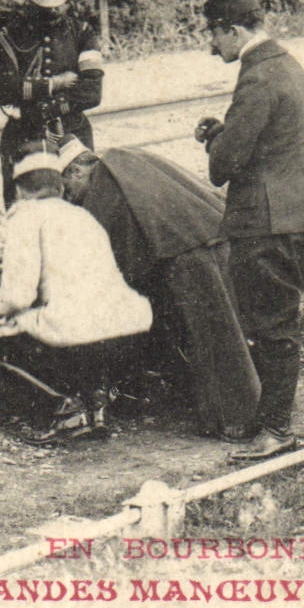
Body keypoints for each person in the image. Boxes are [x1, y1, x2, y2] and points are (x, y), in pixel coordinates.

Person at [58, 138, 262, 441]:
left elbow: (111, 260)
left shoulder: (102, 190)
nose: (69, 197)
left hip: (188, 255)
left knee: (213, 341)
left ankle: (235, 421)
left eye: (67, 187)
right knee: (231, 333)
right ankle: (256, 407)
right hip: (210, 234)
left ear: (76, 171)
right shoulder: (122, 158)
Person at [195, 0, 304, 460]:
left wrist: (215, 141)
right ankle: (271, 421)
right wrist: (227, 133)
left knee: (272, 328)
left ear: (232, 29)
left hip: (265, 222)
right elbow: (267, 139)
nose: (211, 46)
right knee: (274, 323)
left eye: (214, 34)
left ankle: (276, 430)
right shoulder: (286, 64)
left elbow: (223, 166)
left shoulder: (257, 77)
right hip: (293, 213)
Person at [0, 147, 153, 444]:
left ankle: (67, 410)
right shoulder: (82, 215)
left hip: (75, 329)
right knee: (83, 327)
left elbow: (17, 297)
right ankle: (98, 403)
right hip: (125, 324)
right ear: (59, 186)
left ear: (20, 189)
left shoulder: (26, 217)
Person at [0, 0, 104, 207]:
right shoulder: (7, 37)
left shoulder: (83, 33)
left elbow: (92, 91)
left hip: (73, 136)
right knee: (26, 213)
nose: (53, 9)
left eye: (58, 2)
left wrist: (43, 107)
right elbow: (3, 89)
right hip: (24, 137)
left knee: (80, 212)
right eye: (44, 3)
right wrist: (56, 84)